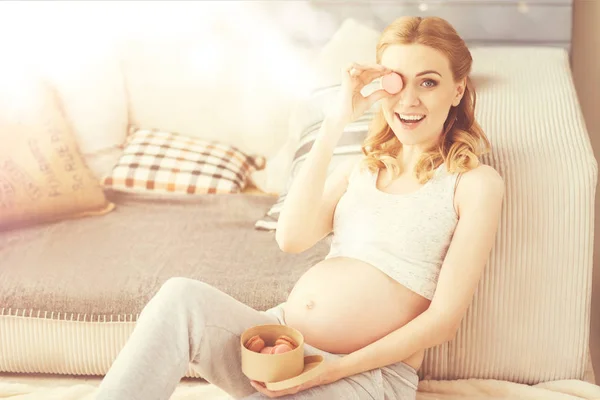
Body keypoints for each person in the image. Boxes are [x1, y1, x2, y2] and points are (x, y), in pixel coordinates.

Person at [96, 15, 504, 400]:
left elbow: (443, 321)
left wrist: (327, 372)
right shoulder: (361, 168)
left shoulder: (474, 185)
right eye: (398, 83)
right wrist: (336, 122)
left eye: (429, 82)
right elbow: (290, 238)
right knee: (179, 298)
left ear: (457, 89)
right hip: (282, 341)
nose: (409, 100)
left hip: (367, 376)